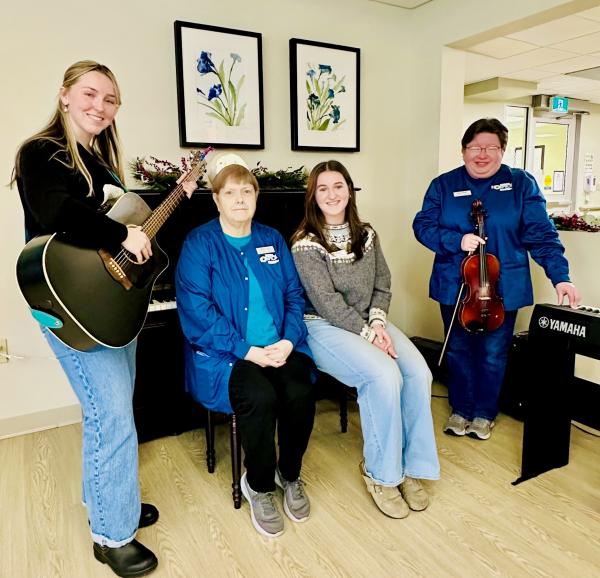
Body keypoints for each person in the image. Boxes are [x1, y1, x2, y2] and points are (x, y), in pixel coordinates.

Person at [13, 60, 196, 577]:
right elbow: (57, 215)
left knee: (111, 411)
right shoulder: (42, 152)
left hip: (107, 303)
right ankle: (112, 535)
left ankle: (112, 499)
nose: (100, 106)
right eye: (91, 94)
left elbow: (130, 225)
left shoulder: (103, 164)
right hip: (69, 304)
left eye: (111, 99)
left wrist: (174, 198)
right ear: (66, 95)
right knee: (112, 415)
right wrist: (122, 238)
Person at [413, 117, 581, 441]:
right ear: (463, 150)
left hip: (503, 288)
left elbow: (541, 234)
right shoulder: (443, 185)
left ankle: (485, 413)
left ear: (503, 150)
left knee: (493, 352)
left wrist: (561, 277)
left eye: (491, 147)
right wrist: (456, 241)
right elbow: (423, 226)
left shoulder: (521, 184)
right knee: (459, 350)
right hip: (458, 286)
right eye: (475, 147)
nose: (482, 154)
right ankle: (460, 409)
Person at [176, 152, 316, 538]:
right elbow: (197, 311)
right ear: (216, 199)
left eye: (247, 191)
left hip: (279, 346)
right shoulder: (199, 243)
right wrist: (247, 350)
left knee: (300, 391)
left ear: (256, 196)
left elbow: (292, 295)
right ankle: (258, 484)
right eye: (230, 192)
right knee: (260, 396)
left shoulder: (271, 238)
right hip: (229, 356)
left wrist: (288, 341)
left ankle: (289, 474)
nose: (240, 199)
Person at [291, 160, 440, 520]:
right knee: (383, 376)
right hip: (324, 327)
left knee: (419, 374)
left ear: (349, 190)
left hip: (369, 322)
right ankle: (382, 474)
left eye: (338, 186)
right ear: (313, 195)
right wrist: (371, 336)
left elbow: (382, 283)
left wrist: (377, 322)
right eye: (322, 188)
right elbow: (327, 303)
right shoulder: (305, 244)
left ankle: (411, 465)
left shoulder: (367, 234)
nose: (331, 194)